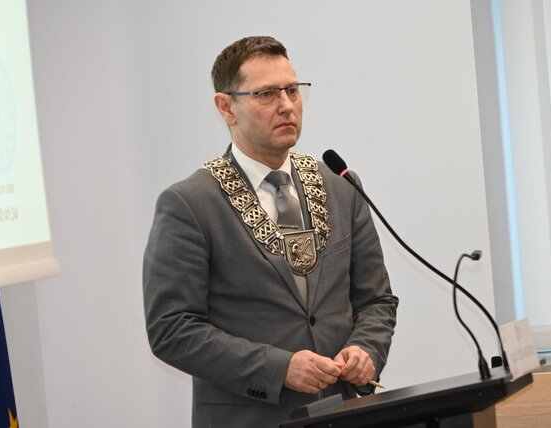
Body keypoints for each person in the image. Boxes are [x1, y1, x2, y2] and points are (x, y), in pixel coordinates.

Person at [143, 36, 398, 428]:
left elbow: (376, 299)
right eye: (266, 94)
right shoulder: (189, 203)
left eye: (292, 90)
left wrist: (366, 349)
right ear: (226, 107)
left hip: (343, 413)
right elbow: (172, 329)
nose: (286, 105)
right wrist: (279, 368)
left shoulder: (340, 185)